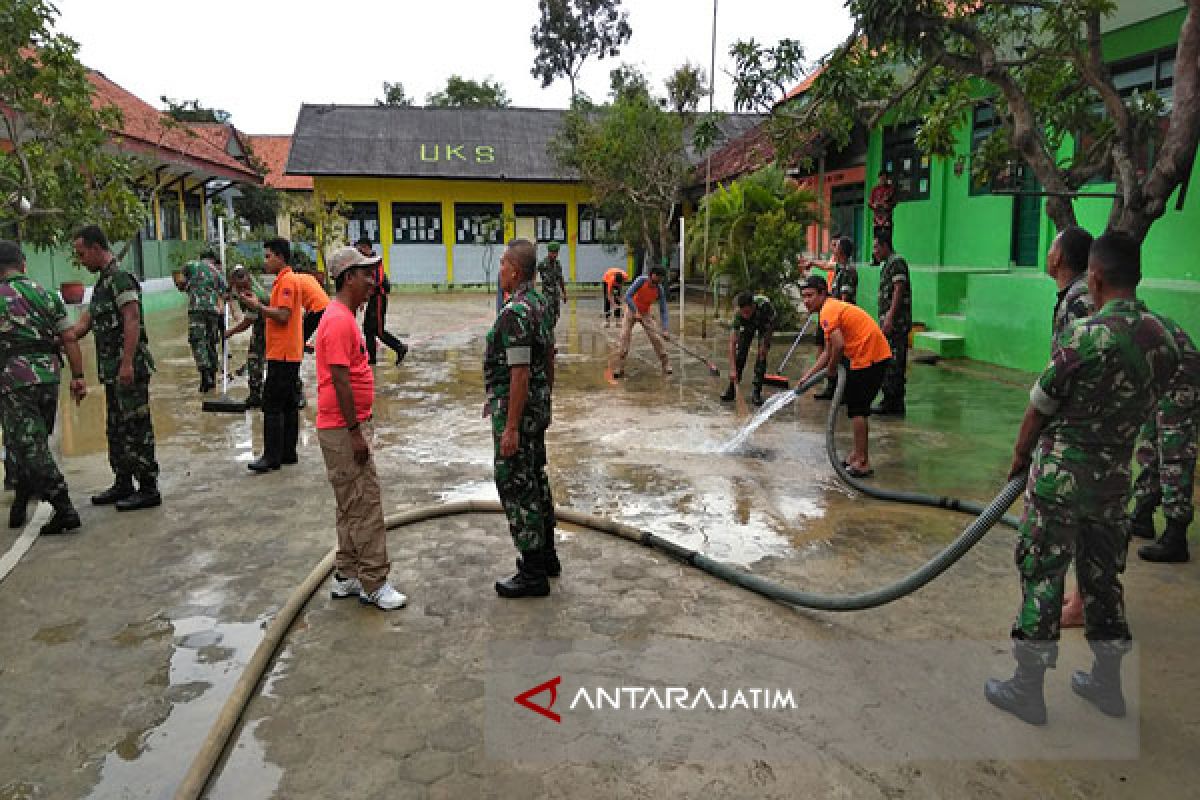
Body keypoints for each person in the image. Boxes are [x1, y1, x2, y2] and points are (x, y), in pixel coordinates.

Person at [985, 230, 1180, 726]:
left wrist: (1019, 457)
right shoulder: (1164, 338)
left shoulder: (1084, 336)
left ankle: (1028, 689)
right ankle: (1108, 685)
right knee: (1102, 582)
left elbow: (1040, 405)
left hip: (1060, 482)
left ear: (1094, 278)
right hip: (1116, 483)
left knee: (1043, 575)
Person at [315, 247, 408, 611]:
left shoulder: (342, 316)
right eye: (367, 274)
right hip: (342, 429)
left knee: (349, 505)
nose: (373, 281)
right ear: (348, 277)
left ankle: (347, 575)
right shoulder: (339, 320)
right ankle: (374, 582)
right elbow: (339, 379)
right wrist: (355, 432)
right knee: (365, 504)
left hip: (341, 426)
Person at [65, 225, 161, 511]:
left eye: (82, 254)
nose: (80, 260)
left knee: (136, 427)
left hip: (128, 369)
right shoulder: (102, 285)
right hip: (112, 372)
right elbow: (85, 324)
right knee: (117, 429)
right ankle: (123, 482)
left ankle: (148, 487)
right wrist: (63, 337)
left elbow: (132, 319)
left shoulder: (121, 279)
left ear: (97, 248)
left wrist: (127, 362)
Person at [0, 241, 88, 534]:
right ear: (23, 264)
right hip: (49, 377)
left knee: (29, 445)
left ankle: (63, 507)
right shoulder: (47, 295)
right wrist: (78, 376)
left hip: (14, 380)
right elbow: (70, 338)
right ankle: (22, 499)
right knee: (32, 441)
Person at [486, 238, 557, 598]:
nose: (500, 271)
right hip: (536, 405)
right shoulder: (541, 304)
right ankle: (546, 556)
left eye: (502, 264)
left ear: (515, 270)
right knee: (535, 476)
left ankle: (533, 572)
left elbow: (520, 373)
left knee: (516, 482)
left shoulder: (516, 312)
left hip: (519, 409)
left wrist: (511, 426)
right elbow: (549, 357)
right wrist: (547, 399)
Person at [1043, 225, 1096, 629]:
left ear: (1060, 257)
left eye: (1051, 246)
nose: (1047, 253)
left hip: (1081, 428)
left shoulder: (1079, 301)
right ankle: (1076, 596)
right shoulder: (1071, 297)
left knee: (1078, 511)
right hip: (1075, 422)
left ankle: (1079, 603)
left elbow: (1077, 367)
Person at [796, 275, 892, 478]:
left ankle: (862, 462)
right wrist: (808, 377)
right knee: (855, 408)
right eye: (803, 296)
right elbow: (828, 351)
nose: (806, 300)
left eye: (810, 295)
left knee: (858, 410)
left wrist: (831, 369)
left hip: (870, 357)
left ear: (823, 293)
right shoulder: (830, 309)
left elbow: (838, 346)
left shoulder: (828, 311)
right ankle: (856, 455)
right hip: (868, 355)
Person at [1131, 315, 1198, 563]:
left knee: (1174, 451)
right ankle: (1142, 516)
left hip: (1182, 375)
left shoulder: (1113, 325)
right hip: (1159, 376)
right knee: (1149, 444)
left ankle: (1176, 536)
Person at [239, 237, 304, 473]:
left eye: (268, 256)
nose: (265, 261)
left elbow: (283, 315)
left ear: (280, 257)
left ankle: (271, 456)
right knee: (288, 403)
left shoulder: (287, 281)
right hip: (286, 351)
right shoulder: (283, 281)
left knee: (272, 404)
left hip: (283, 353)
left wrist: (258, 307)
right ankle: (288, 453)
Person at [813, 237, 859, 401]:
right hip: (834, 318)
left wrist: (838, 320)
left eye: (836, 246)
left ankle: (843, 391)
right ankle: (831, 388)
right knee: (831, 351)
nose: (834, 248)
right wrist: (811, 263)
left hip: (841, 319)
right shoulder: (840, 267)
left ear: (842, 251)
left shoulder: (848, 271)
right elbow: (826, 265)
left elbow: (844, 299)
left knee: (841, 355)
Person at [871, 232, 911, 416]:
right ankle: (891, 401)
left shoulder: (896, 262)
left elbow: (898, 289)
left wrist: (890, 318)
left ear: (885, 245)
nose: (875, 251)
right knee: (888, 360)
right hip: (890, 322)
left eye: (876, 247)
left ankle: (893, 402)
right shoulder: (888, 264)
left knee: (894, 362)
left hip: (897, 324)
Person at [176, 251, 226, 393]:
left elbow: (180, 281)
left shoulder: (191, 264)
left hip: (196, 308)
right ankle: (212, 376)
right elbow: (224, 293)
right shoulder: (218, 272)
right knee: (211, 342)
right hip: (213, 311)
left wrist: (186, 287)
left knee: (197, 340)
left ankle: (204, 373)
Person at [354, 238, 408, 366]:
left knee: (378, 330)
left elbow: (377, 280)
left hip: (379, 297)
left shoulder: (376, 261)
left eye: (360, 249)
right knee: (367, 329)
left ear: (367, 248)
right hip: (372, 298)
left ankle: (400, 347)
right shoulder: (364, 262)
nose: (359, 251)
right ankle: (371, 360)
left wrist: (364, 291)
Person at [613, 265, 671, 379]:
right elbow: (628, 296)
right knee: (624, 336)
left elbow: (663, 310)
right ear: (651, 275)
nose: (658, 281)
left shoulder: (659, 289)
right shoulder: (641, 281)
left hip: (645, 314)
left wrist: (665, 329)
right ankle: (620, 367)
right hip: (631, 310)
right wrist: (635, 312)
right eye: (657, 277)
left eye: (661, 279)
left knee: (656, 338)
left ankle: (666, 364)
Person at [720, 292, 776, 407]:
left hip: (765, 321)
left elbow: (769, 328)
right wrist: (732, 370)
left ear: (753, 306)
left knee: (762, 353)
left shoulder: (765, 307)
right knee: (741, 352)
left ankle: (756, 392)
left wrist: (764, 345)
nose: (745, 314)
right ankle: (732, 389)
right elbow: (732, 343)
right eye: (743, 312)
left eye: (747, 312)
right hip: (748, 325)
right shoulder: (739, 315)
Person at [223, 266, 268, 407]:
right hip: (263, 325)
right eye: (238, 287)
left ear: (248, 281)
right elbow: (234, 281)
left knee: (254, 359)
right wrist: (229, 293)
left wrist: (230, 332)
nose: (241, 290)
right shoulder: (247, 282)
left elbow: (247, 323)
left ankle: (256, 397)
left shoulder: (253, 295)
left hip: (268, 328)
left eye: (243, 286)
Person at [293, 264, 330, 410]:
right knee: (301, 339)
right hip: (326, 308)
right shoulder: (308, 278)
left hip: (318, 310)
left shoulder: (294, 280)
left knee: (296, 344)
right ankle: (305, 346)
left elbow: (294, 309)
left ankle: (298, 390)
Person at [537, 241, 567, 329]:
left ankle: (549, 330)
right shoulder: (543, 264)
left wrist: (564, 293)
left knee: (556, 315)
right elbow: (533, 275)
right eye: (553, 252)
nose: (554, 255)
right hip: (546, 295)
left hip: (556, 295)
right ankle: (547, 332)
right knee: (547, 316)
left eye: (556, 253)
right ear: (549, 252)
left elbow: (561, 279)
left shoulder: (558, 264)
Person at [868, 170, 897, 240]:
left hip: (887, 219)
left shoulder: (891, 189)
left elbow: (894, 202)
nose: (882, 180)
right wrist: (874, 205)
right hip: (877, 220)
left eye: (884, 179)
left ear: (887, 179)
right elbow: (869, 203)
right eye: (881, 179)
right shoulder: (874, 190)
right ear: (879, 178)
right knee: (876, 239)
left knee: (887, 240)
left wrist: (888, 205)